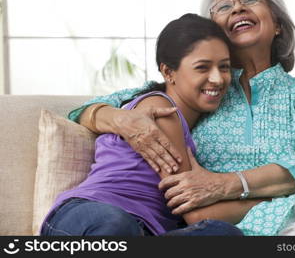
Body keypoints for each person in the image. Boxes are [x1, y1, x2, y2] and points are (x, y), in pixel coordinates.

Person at [68, 0, 295, 236]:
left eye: (250, 0)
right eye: (223, 6)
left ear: (276, 23)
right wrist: (124, 121)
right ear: (213, 33)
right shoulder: (202, 92)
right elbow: (91, 107)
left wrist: (225, 184)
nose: (237, 8)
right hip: (223, 232)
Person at [40, 14, 244, 236]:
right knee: (117, 225)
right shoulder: (160, 108)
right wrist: (271, 199)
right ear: (168, 72)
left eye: (224, 67)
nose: (218, 79)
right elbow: (194, 214)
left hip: (144, 231)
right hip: (88, 215)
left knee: (222, 234)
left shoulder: (188, 125)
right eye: (202, 68)